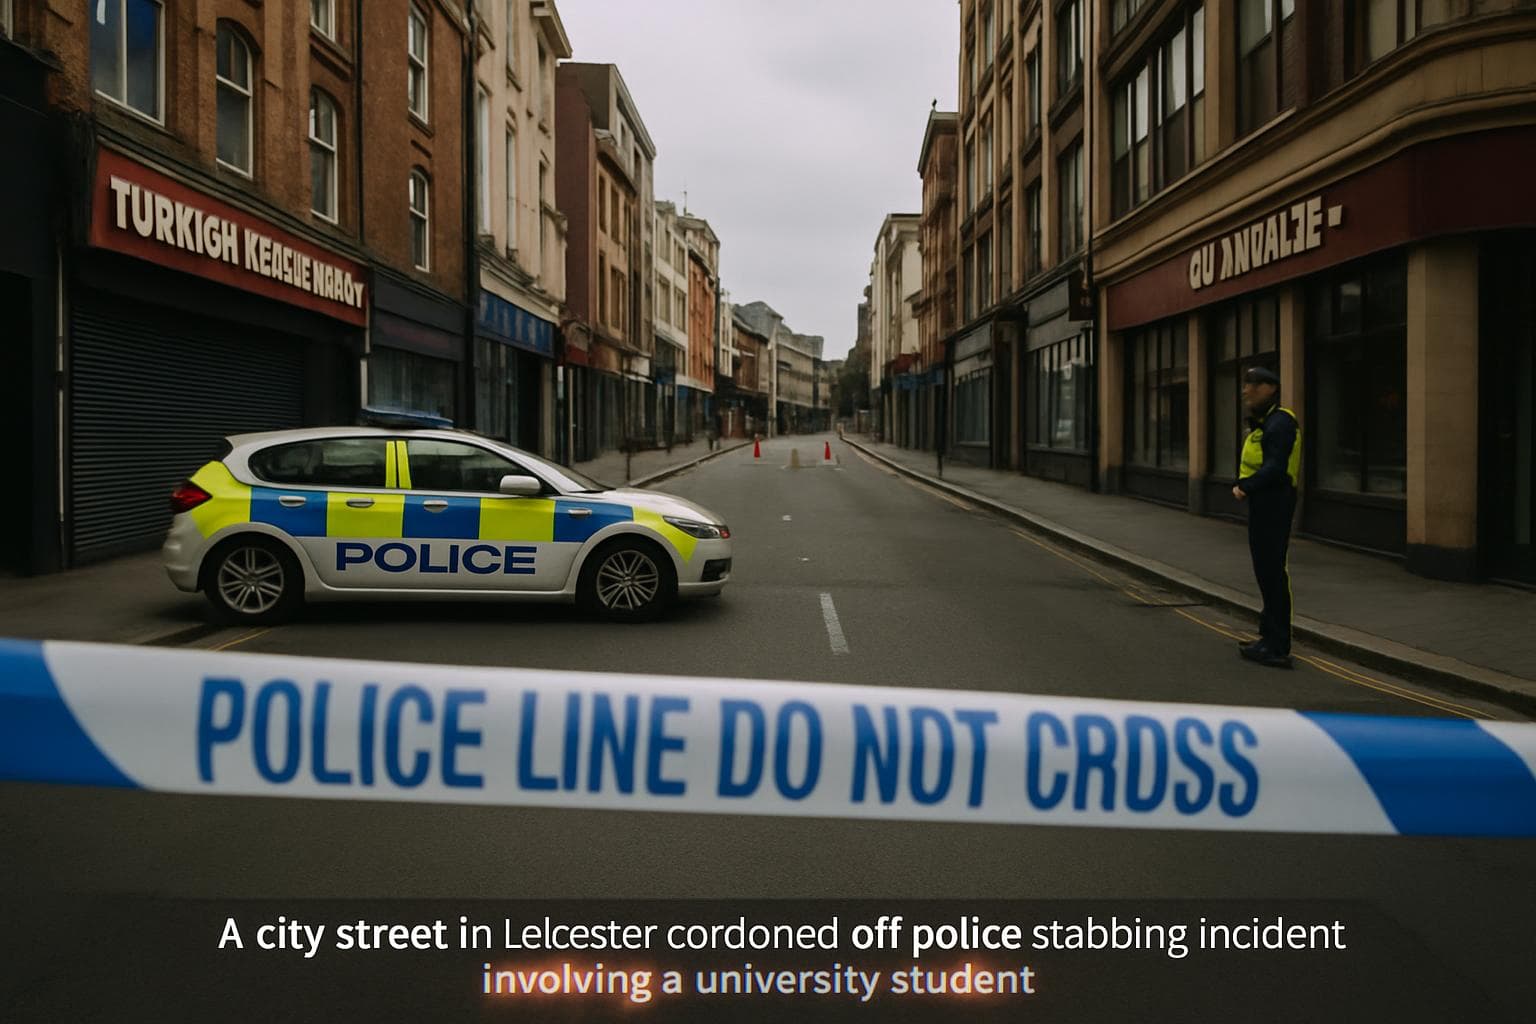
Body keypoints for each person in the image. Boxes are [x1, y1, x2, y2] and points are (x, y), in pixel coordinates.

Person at [1232, 365, 1300, 669]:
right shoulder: (1268, 422)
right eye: (1246, 385)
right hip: (1264, 503)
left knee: (1273, 572)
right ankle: (1267, 637)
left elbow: (1275, 466)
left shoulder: (1281, 422)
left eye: (1252, 385)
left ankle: (1277, 646)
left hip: (1274, 503)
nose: (1246, 390)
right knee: (1265, 571)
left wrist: (1245, 487)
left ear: (1270, 388)